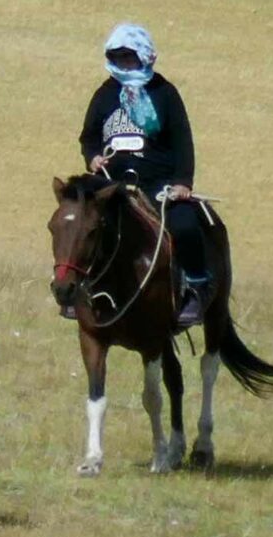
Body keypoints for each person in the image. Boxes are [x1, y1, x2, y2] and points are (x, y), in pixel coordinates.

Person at [77, 22, 209, 324]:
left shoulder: (164, 93)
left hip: (157, 183)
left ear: (144, 56)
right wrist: (93, 157)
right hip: (113, 183)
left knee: (186, 224)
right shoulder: (105, 94)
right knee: (79, 222)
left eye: (129, 57)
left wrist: (182, 183)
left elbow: (182, 140)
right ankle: (79, 290)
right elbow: (88, 136)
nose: (124, 63)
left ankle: (195, 290)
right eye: (119, 57)